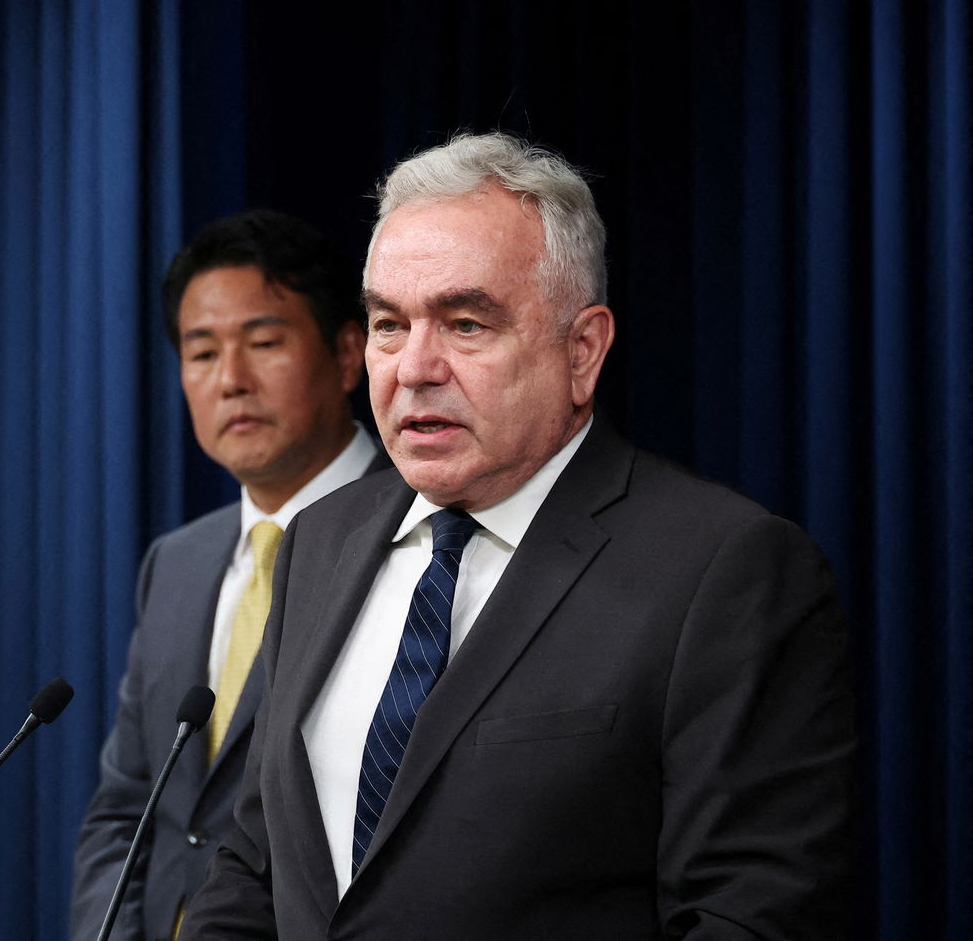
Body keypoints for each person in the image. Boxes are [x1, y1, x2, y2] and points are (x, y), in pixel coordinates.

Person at [181, 133, 856, 939]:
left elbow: (748, 913)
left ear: (583, 350)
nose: (415, 367)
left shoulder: (724, 570)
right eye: (390, 324)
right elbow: (254, 864)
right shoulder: (321, 539)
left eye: (465, 324)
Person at [71, 210, 388, 941]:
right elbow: (127, 809)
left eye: (265, 343)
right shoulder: (176, 564)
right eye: (202, 352)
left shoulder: (419, 538)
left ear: (348, 355)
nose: (231, 381)